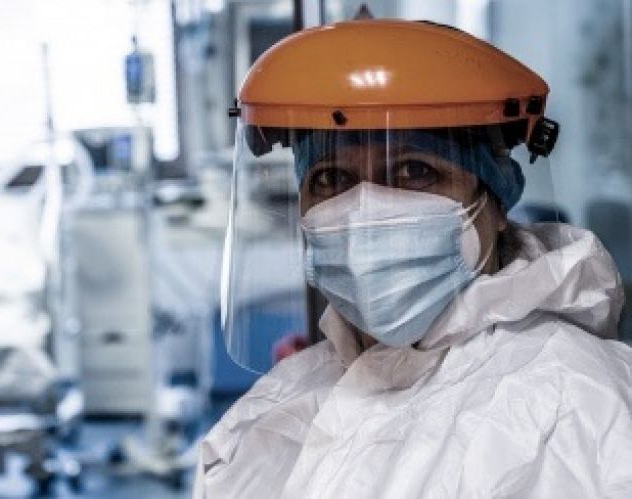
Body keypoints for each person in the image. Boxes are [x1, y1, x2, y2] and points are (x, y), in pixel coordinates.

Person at [196, 18, 632, 498]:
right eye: (331, 178)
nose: (364, 211)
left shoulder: (583, 413)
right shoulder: (273, 410)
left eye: (414, 171)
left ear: (494, 202)